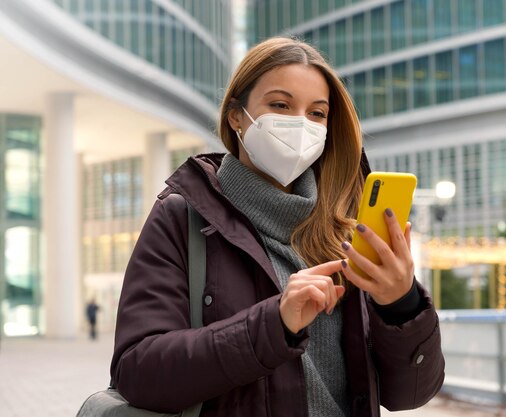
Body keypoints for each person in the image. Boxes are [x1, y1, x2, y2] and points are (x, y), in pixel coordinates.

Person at [110, 37, 444, 416]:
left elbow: (410, 395)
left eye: (317, 114)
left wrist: (402, 305)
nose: (300, 125)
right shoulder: (182, 217)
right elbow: (137, 372)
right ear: (236, 116)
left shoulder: (346, 234)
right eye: (280, 105)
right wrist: (275, 324)